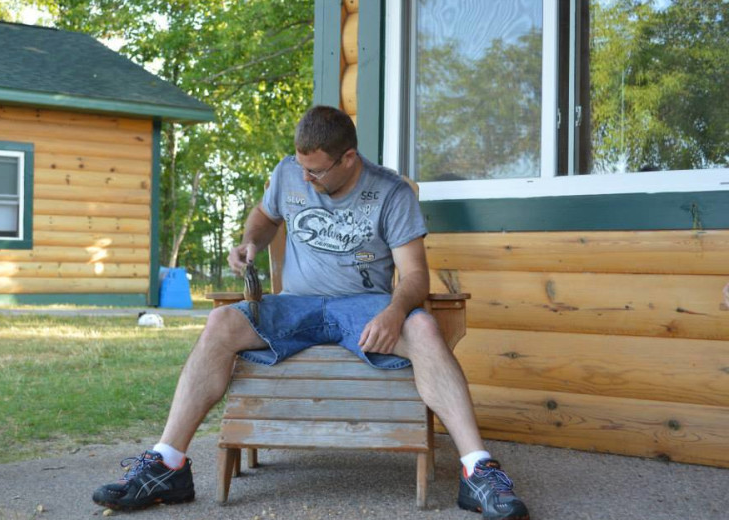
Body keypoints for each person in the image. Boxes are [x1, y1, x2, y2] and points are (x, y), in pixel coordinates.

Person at [92, 106, 530, 520]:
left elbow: (415, 276)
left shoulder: (391, 193)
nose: (305, 177)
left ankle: (478, 471)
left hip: (365, 309)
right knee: (220, 322)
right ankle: (167, 465)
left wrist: (395, 313)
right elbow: (264, 217)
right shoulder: (289, 174)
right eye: (301, 167)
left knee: (426, 329)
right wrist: (250, 243)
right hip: (295, 304)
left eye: (316, 170)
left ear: (349, 158)